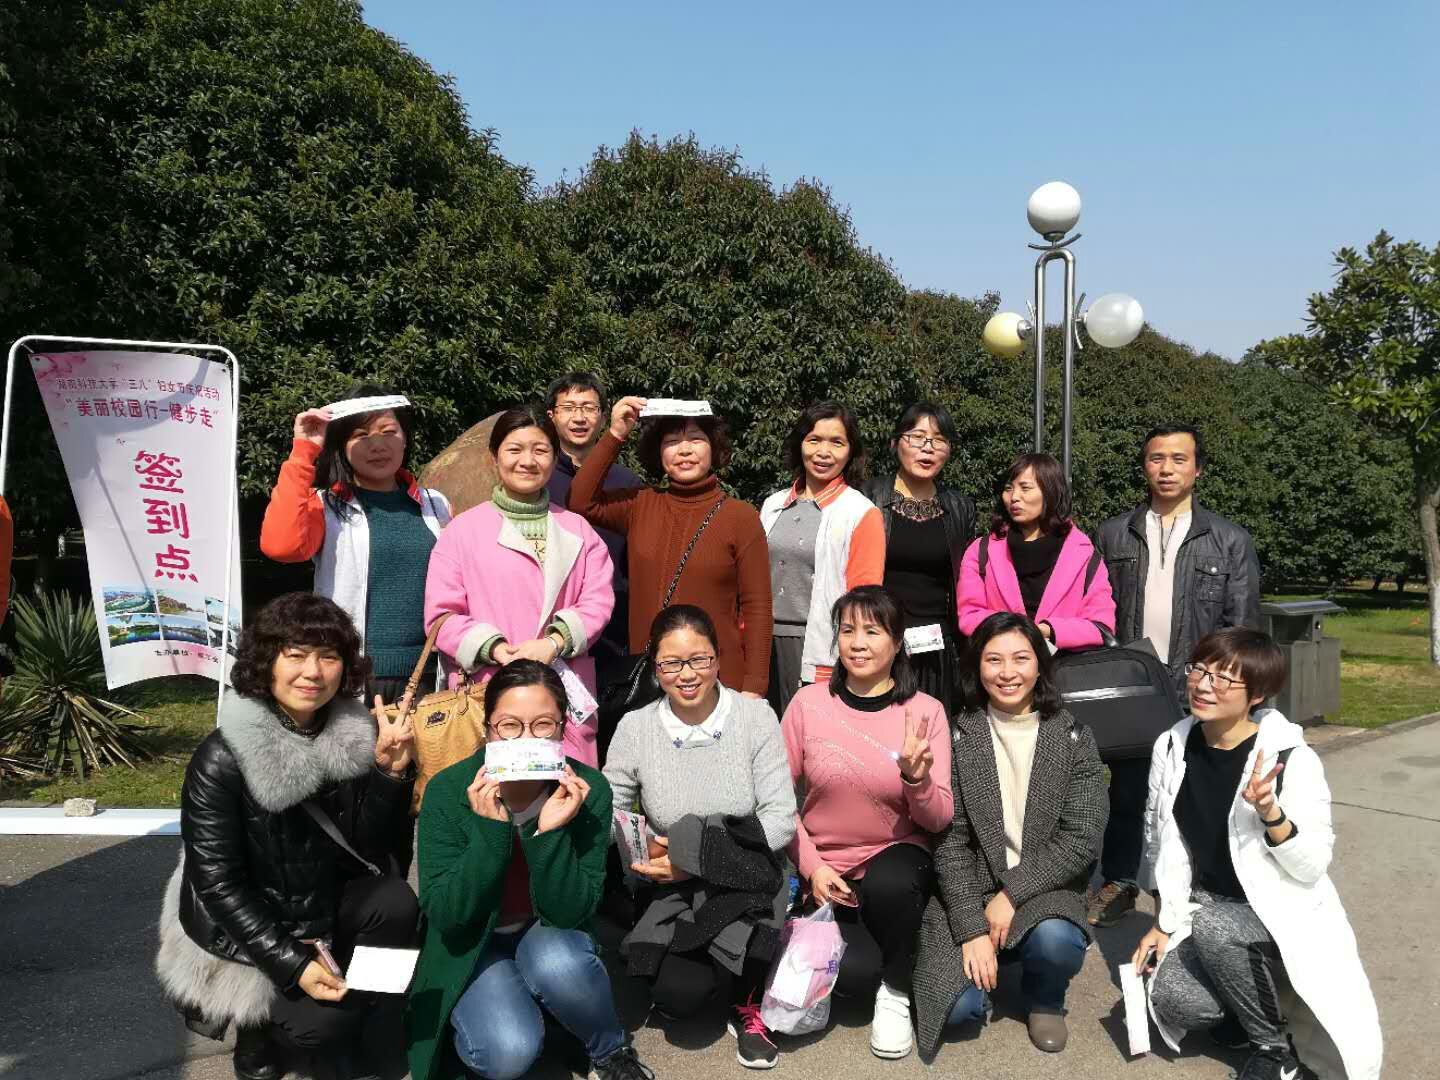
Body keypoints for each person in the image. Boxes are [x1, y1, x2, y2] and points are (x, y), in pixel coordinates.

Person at [156, 592, 419, 1080]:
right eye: (295, 655)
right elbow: (217, 883)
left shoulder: (351, 736)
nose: (312, 672)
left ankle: (366, 1018)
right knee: (321, 1027)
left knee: (396, 901)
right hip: (249, 925)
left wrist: (389, 774)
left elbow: (366, 851)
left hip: (320, 900)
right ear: (266, 662)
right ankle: (257, 1034)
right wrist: (295, 964)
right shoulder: (221, 758)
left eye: (328, 656)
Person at [1134, 629, 1381, 1080]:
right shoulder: (1171, 745)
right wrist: (1161, 921)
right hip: (1204, 906)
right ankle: (1244, 1006)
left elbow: (1312, 865)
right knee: (1176, 1002)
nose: (1204, 685)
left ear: (1258, 694)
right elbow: (1157, 836)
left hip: (1273, 911)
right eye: (1199, 670)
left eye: (1224, 679)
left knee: (1218, 926)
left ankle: (1274, 1051)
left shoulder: (1290, 759)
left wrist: (1271, 813)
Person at [405, 660, 656, 1080]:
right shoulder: (448, 791)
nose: (525, 737)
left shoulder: (588, 791)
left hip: (547, 929)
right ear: (487, 728)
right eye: (509, 725)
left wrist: (550, 833)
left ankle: (610, 1050)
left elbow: (573, 911)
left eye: (543, 725)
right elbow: (446, 913)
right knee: (508, 1052)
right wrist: (489, 833)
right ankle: (515, 1006)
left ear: (562, 728)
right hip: (473, 940)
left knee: (560, 964)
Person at [604, 606, 797, 1070]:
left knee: (752, 942)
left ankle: (747, 1003)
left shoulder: (754, 717)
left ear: (718, 659)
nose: (686, 675)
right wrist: (641, 846)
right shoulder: (636, 727)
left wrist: (696, 857)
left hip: (748, 875)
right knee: (680, 995)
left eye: (699, 660)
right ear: (655, 666)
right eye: (671, 663)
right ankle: (708, 973)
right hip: (673, 885)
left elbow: (780, 819)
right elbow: (611, 809)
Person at [912, 612, 1107, 1060]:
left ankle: (1045, 998)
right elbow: (950, 841)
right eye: (993, 659)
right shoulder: (958, 734)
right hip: (972, 887)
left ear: (1040, 665)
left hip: (1044, 885)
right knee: (956, 1012)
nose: (1007, 672)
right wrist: (971, 928)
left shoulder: (1073, 736)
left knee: (1055, 942)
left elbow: (1080, 837)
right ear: (976, 667)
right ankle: (991, 965)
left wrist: (1011, 895)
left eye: (1021, 658)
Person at [1089, 424, 1263, 928]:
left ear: (1197, 469)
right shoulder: (1113, 534)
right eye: (1156, 458)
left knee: (1196, 791)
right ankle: (1120, 880)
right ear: (1144, 465)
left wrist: (1229, 688)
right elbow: (1098, 610)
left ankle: (1199, 885)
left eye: (1179, 459)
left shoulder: (1229, 540)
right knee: (1127, 791)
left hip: (1198, 686)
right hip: (1134, 686)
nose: (1166, 469)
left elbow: (1242, 626)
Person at [781, 585, 954, 1060]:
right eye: (847, 630)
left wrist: (917, 778)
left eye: (873, 632)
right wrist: (813, 867)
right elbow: (776, 800)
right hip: (827, 869)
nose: (857, 643)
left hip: (896, 860)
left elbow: (939, 817)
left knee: (891, 883)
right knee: (854, 978)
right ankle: (884, 956)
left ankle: (897, 991)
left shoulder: (925, 712)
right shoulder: (808, 704)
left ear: (897, 643)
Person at [424, 406, 614, 767]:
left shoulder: (578, 529)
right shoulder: (461, 532)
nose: (528, 461)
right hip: (488, 686)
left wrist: (553, 643)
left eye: (540, 450)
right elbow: (441, 617)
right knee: (490, 792)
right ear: (493, 457)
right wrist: (494, 648)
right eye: (515, 449)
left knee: (566, 790)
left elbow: (598, 601)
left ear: (554, 457)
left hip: (562, 687)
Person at [260, 383, 452, 704]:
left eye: (389, 431)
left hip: (427, 675)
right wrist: (304, 450)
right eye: (361, 435)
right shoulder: (327, 505)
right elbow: (281, 546)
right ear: (342, 446)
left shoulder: (436, 505)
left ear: (405, 437)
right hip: (350, 674)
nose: (377, 445)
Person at [568, 395, 772, 699]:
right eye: (673, 441)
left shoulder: (741, 516)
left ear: (713, 449)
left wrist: (754, 687)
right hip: (651, 678)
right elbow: (581, 501)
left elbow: (758, 608)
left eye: (696, 439)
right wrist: (616, 434)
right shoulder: (640, 505)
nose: (685, 449)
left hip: (718, 680)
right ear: (659, 452)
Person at [760, 401, 885, 716]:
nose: (823, 452)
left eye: (837, 442)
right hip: (762, 640)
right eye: (814, 440)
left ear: (851, 451)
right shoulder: (772, 505)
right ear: (800, 443)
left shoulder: (860, 512)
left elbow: (863, 597)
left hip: (816, 642)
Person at [861, 402, 976, 718]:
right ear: (895, 442)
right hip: (881, 641)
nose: (928, 447)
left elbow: (965, 581)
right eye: (917, 437)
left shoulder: (960, 508)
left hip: (938, 649)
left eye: (939, 439)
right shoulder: (867, 497)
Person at [543, 373, 643, 738]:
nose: (579, 417)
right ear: (552, 415)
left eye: (588, 407)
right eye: (569, 407)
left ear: (602, 416)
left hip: (613, 632)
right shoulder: (538, 479)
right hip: (549, 632)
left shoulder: (626, 483)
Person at [957, 452, 1115, 649]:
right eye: (1008, 488)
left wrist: (1049, 630)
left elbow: (1101, 625)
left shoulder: (1085, 554)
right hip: (1002, 663)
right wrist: (1020, 631)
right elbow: (969, 616)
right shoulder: (981, 551)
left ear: (1051, 492)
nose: (1014, 497)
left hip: (1065, 665)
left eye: (1025, 488)